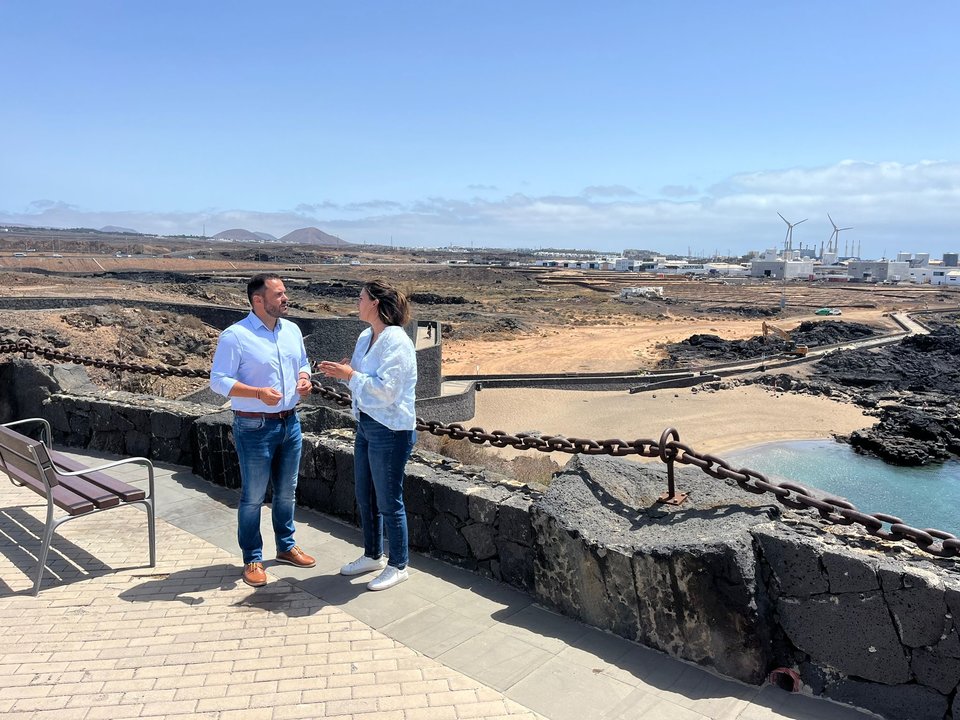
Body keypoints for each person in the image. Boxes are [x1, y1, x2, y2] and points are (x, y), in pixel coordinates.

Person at [210, 273, 316, 587]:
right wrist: (257, 393)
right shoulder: (235, 336)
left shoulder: (292, 330)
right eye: (279, 294)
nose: (286, 299)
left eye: (285, 293)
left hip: (290, 422)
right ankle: (253, 558)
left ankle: (285, 547)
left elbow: (304, 362)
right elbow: (219, 381)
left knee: (286, 492)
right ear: (259, 300)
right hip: (254, 425)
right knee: (253, 497)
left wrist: (304, 379)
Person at [319, 279, 417, 591]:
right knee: (365, 494)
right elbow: (362, 379)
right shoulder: (365, 336)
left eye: (360, 297)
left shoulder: (397, 342)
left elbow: (387, 391)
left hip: (390, 429)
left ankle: (399, 564)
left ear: (375, 303)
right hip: (366, 423)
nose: (357, 302)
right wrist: (347, 372)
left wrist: (351, 375)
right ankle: (373, 554)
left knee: (389, 499)